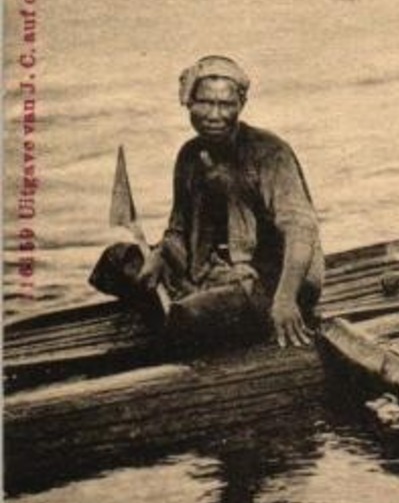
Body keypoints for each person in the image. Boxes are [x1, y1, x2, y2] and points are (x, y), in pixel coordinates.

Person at [90, 56, 324, 349]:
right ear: (188, 102)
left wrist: (287, 299)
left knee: (189, 317)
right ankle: (189, 303)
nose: (215, 115)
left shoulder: (269, 154)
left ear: (241, 105)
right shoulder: (189, 156)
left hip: (272, 278)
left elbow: (301, 230)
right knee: (114, 261)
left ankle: (190, 311)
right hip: (208, 267)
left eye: (226, 105)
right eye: (205, 103)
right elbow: (178, 227)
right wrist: (161, 255)